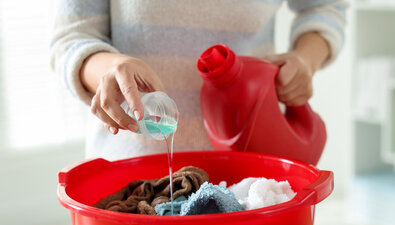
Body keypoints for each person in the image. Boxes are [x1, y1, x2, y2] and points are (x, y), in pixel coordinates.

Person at [50, 0, 348, 160]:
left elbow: (325, 7)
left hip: (249, 175)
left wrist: (305, 59)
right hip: (130, 171)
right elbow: (71, 37)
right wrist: (109, 67)